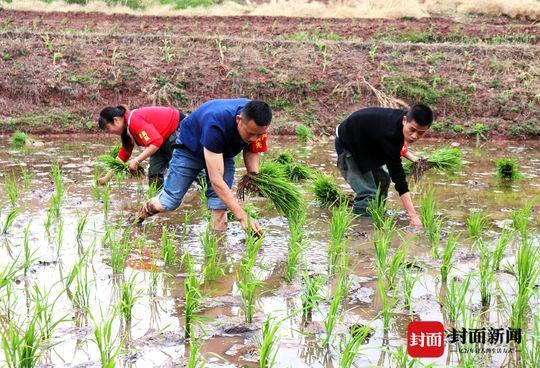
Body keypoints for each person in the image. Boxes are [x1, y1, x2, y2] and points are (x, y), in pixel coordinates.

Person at [138, 98, 271, 236]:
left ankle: (217, 249)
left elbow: (252, 150)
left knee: (220, 205)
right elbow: (216, 180)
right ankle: (137, 217)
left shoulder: (258, 120)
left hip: (223, 152)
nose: (254, 138)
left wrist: (254, 176)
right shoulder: (216, 123)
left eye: (259, 135)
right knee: (168, 202)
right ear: (238, 119)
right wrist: (242, 216)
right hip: (190, 149)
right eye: (250, 133)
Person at [334, 104, 433, 227]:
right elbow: (399, 180)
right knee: (368, 194)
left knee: (383, 180)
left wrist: (416, 160)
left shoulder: (400, 126)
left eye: (421, 133)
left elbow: (398, 148)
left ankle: (375, 214)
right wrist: (413, 217)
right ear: (404, 120)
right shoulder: (390, 134)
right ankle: (362, 230)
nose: (414, 136)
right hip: (348, 143)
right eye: (412, 130)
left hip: (367, 144)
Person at [97, 105, 185, 188]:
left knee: (184, 166)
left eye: (108, 128)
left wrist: (136, 161)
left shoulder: (134, 121)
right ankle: (158, 199)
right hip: (162, 138)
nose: (110, 132)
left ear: (116, 120)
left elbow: (156, 142)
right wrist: (106, 178)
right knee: (154, 175)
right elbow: (122, 157)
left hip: (177, 128)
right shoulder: (127, 132)